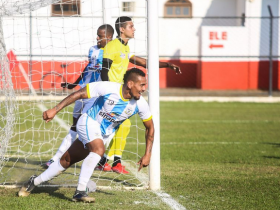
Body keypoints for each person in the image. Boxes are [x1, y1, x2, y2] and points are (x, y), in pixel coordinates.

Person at [18, 68, 154, 203]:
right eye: (142, 85)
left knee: (66, 160)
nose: (144, 89)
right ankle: (80, 191)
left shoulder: (140, 104)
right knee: (98, 150)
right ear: (130, 84)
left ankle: (33, 181)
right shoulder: (108, 88)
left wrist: (147, 154)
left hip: (103, 135)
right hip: (88, 122)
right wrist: (55, 109)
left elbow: (150, 128)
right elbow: (80, 94)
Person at [97, 16, 181, 174]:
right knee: (105, 128)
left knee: (123, 125)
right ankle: (102, 159)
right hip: (112, 95)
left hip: (121, 94)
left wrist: (167, 65)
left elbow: (143, 62)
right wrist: (108, 93)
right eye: (131, 26)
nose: (134, 29)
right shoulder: (112, 46)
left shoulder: (125, 47)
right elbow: (104, 71)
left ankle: (111, 161)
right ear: (122, 29)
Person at [42, 24, 114, 168]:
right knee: (74, 126)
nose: (97, 38)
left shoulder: (111, 52)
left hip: (95, 96)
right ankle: (58, 158)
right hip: (82, 92)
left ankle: (95, 158)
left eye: (100, 36)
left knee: (92, 128)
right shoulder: (93, 49)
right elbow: (87, 68)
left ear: (109, 37)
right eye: (97, 35)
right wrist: (74, 83)